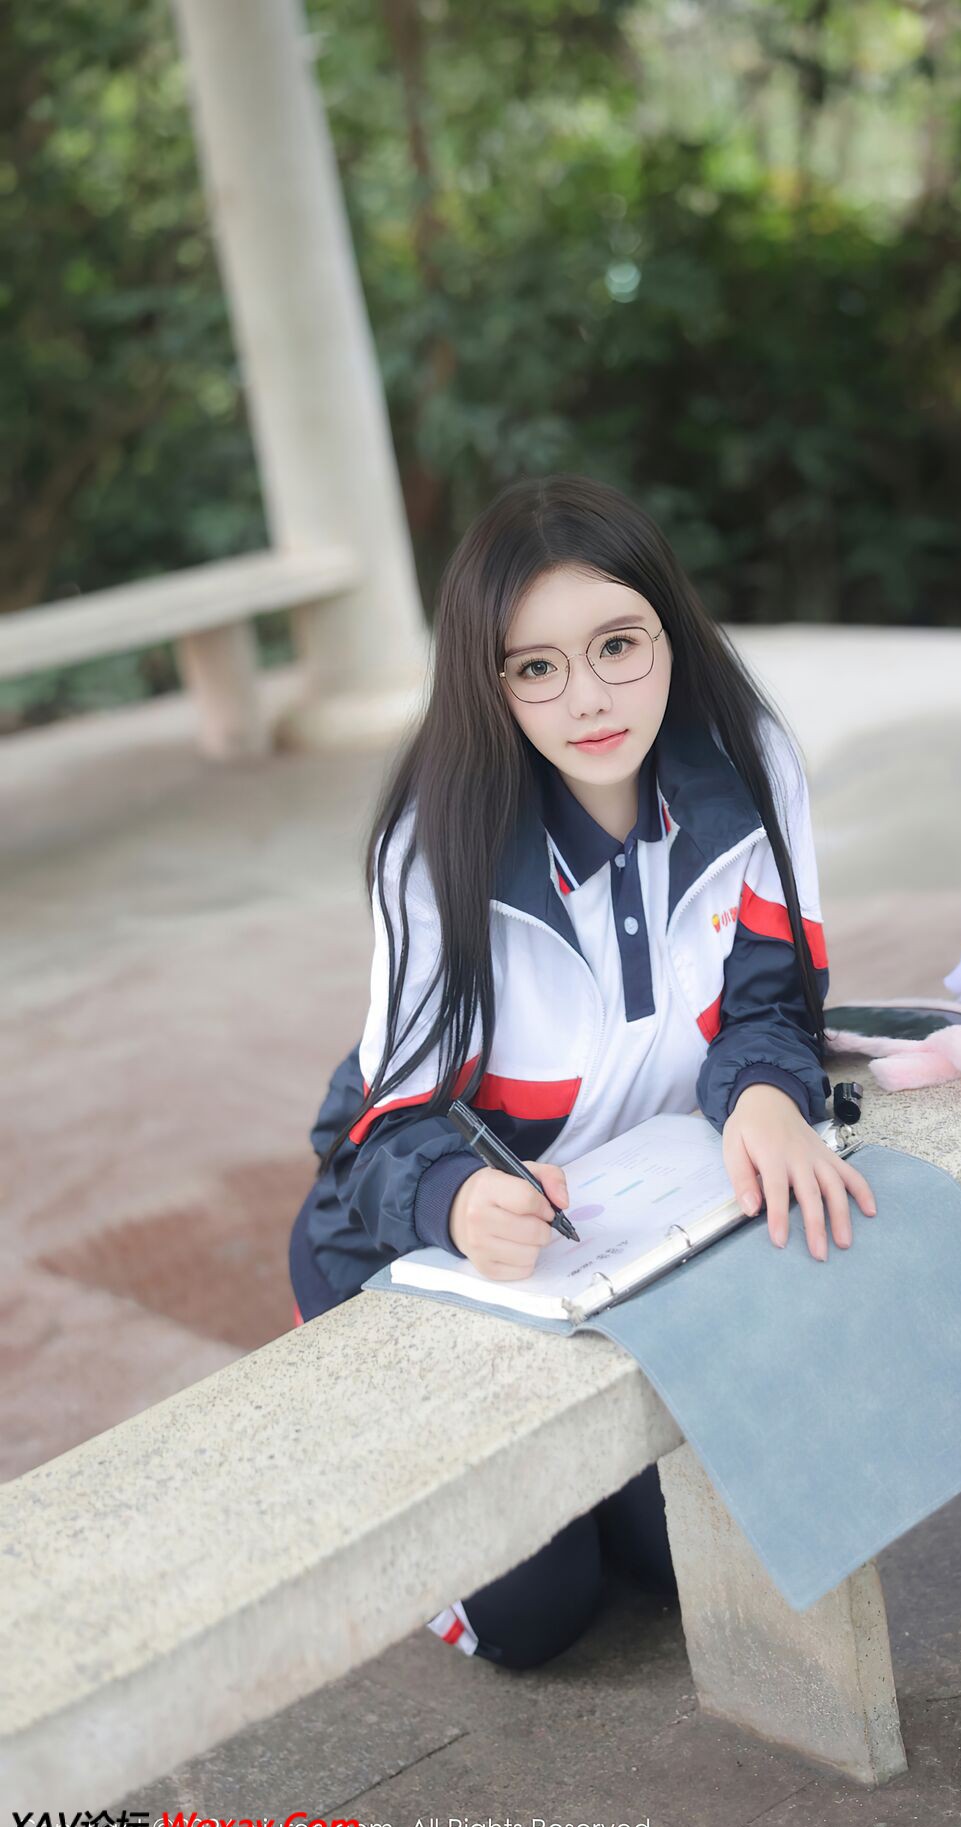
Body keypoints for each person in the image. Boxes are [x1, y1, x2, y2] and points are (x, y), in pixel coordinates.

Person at [287, 473, 876, 1669]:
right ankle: (369, 1448)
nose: (590, 697)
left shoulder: (752, 765)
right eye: (536, 667)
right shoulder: (436, 843)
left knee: (687, 1557)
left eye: (617, 645)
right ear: (489, 681)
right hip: (442, 1245)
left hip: (629, 1232)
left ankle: (585, 1479)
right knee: (535, 1619)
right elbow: (384, 1131)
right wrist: (460, 1201)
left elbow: (771, 1002)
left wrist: (768, 1093)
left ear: (672, 631)